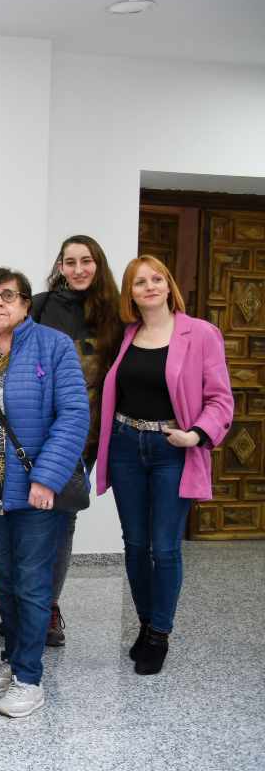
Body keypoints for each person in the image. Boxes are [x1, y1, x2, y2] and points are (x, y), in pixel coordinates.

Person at [0, 268, 89, 718]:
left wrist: (46, 478)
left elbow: (72, 416)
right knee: (6, 581)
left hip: (34, 490)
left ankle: (30, 678)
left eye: (8, 296)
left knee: (32, 585)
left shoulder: (54, 346)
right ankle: (12, 660)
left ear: (27, 304)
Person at [95, 256, 233, 676]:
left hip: (172, 448)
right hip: (124, 445)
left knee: (165, 546)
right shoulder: (126, 334)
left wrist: (196, 435)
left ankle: (160, 634)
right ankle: (145, 624)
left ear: (169, 285)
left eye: (157, 279)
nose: (150, 287)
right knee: (135, 545)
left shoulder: (201, 334)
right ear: (130, 294)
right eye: (140, 282)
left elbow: (221, 399)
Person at [30, 235, 123, 646]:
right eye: (70, 262)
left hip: (84, 439)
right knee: (29, 519)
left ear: (98, 265)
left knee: (62, 519)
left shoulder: (116, 316)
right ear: (60, 266)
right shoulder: (39, 306)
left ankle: (47, 606)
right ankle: (22, 607)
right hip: (34, 434)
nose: (79, 269)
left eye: (86, 261)